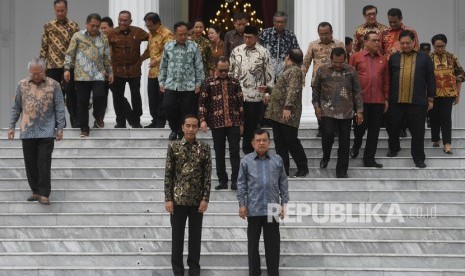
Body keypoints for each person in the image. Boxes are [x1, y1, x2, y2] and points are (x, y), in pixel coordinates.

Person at [8, 58, 66, 205]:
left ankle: (44, 193)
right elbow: (16, 107)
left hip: (46, 131)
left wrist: (60, 128)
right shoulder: (22, 85)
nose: (35, 76)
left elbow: (59, 107)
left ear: (44, 70)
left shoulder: (54, 85)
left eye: (38, 73)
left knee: (43, 162)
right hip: (27, 131)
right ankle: (35, 191)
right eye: (32, 73)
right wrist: (11, 126)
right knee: (31, 163)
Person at [164, 114, 212, 276]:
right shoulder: (174, 147)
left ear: (198, 128)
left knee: (195, 238)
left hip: (197, 202)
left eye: (194, 126)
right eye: (188, 126)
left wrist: (205, 199)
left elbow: (207, 176)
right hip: (177, 201)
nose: (191, 129)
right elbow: (168, 175)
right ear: (183, 127)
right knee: (177, 239)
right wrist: (168, 199)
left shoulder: (204, 148)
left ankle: (194, 270)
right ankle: (178, 271)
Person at [237, 128, 289, 276]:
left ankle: (273, 273)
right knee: (253, 246)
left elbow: (283, 182)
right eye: (258, 140)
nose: (261, 143)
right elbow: (241, 184)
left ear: (269, 142)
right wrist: (242, 204)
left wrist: (284, 204)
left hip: (272, 208)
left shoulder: (277, 160)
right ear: (252, 143)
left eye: (264, 140)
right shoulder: (246, 161)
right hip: (253, 208)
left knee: (273, 246)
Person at [387, 30, 436, 168]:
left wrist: (431, 99)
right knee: (393, 128)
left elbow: (430, 78)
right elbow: (389, 79)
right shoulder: (394, 58)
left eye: (408, 43)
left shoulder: (424, 58)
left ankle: (419, 158)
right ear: (399, 43)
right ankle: (394, 148)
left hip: (418, 101)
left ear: (414, 42)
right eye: (402, 43)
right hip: (396, 101)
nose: (405, 45)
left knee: (418, 131)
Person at [312, 47, 363, 178]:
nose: (338, 65)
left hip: (346, 111)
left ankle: (341, 171)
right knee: (327, 134)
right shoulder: (322, 70)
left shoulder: (351, 71)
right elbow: (316, 89)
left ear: (345, 60)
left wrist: (359, 111)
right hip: (327, 110)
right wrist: (316, 106)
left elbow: (357, 91)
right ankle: (326, 155)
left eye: (341, 62)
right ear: (331, 59)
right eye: (335, 62)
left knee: (345, 142)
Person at [199, 57, 244, 190]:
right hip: (216, 122)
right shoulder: (208, 83)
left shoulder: (235, 82)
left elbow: (240, 103)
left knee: (235, 152)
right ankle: (222, 181)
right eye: (221, 70)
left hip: (234, 121)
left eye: (226, 70)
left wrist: (242, 122)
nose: (224, 73)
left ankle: (235, 180)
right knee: (219, 152)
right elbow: (202, 103)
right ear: (216, 68)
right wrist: (202, 120)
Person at [229, 25, 274, 154]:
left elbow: (269, 74)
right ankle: (235, 148)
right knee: (237, 122)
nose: (247, 40)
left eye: (250, 37)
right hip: (238, 94)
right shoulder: (236, 51)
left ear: (256, 37)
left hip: (255, 95)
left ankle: (248, 150)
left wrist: (267, 92)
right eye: (245, 37)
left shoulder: (264, 52)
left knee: (251, 124)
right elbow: (231, 72)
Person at [265, 49, 309, 177]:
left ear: (287, 56)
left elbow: (293, 90)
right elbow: (283, 89)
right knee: (280, 142)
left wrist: (288, 107)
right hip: (278, 113)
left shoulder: (295, 71)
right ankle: (283, 169)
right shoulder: (289, 70)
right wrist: (268, 89)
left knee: (290, 140)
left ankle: (302, 167)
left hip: (287, 112)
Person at [159, 21, 204, 141]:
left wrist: (199, 83)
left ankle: (181, 132)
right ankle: (175, 129)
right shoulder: (168, 46)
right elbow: (163, 65)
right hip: (171, 84)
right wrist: (161, 81)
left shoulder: (194, 46)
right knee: (167, 107)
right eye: (180, 34)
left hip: (189, 85)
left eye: (185, 34)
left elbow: (199, 66)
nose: (183, 37)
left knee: (186, 112)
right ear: (174, 34)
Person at [349, 31, 389, 168]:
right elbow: (349, 79)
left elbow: (386, 80)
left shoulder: (383, 59)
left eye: (378, 40)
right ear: (365, 42)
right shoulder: (355, 57)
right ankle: (356, 146)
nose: (377, 43)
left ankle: (369, 159)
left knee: (374, 132)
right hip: (361, 101)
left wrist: (386, 99)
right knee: (359, 129)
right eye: (374, 40)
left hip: (378, 101)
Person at [39, 0, 79, 128]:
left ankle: (75, 121)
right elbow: (44, 47)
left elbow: (78, 48)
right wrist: (41, 66)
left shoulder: (74, 26)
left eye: (62, 10)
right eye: (58, 11)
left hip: (69, 66)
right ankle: (59, 123)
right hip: (52, 66)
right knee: (55, 95)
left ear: (66, 10)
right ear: (54, 10)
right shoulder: (48, 26)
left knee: (71, 93)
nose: (60, 13)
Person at [302, 22, 345, 137]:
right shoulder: (313, 45)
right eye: (321, 34)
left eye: (326, 33)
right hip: (318, 81)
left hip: (336, 81)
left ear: (331, 32)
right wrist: (302, 77)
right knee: (319, 105)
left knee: (336, 105)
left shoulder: (339, 44)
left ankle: (335, 128)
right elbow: (306, 63)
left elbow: (345, 62)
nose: (324, 36)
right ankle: (321, 128)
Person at [107, 11, 148, 129]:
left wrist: (144, 57)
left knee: (136, 95)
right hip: (118, 71)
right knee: (117, 97)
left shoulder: (138, 32)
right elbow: (104, 50)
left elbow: (153, 40)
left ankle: (136, 120)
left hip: (134, 70)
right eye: (120, 19)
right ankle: (120, 121)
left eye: (125, 20)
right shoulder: (111, 33)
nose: (122, 22)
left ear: (130, 21)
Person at [430, 34, 465, 154]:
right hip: (433, 93)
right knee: (434, 117)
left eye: (442, 46)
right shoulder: (428, 58)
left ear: (445, 45)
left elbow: (461, 74)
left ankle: (447, 144)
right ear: (433, 46)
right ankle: (435, 138)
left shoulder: (451, 57)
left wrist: (458, 93)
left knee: (446, 118)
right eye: (437, 46)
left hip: (448, 93)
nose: (440, 48)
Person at [142, 12, 173, 128]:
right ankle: (154, 120)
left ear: (158, 23)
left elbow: (169, 52)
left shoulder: (167, 34)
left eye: (150, 25)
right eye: (147, 26)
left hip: (164, 73)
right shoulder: (151, 34)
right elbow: (148, 50)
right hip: (152, 73)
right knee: (152, 97)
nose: (148, 28)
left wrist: (157, 60)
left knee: (162, 99)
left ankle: (160, 122)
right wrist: (140, 59)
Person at [259, 11, 300, 81]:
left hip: (285, 73)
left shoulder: (290, 35)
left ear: (285, 23)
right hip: (267, 73)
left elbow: (297, 55)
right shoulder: (265, 33)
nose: (279, 24)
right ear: (274, 22)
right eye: (277, 22)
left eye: (282, 22)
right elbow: (258, 51)